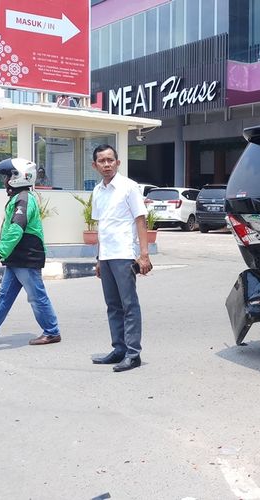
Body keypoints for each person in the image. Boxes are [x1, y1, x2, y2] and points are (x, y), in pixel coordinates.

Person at [0, 158, 61, 346]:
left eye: (7, 176)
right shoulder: (18, 198)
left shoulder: (23, 199)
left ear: (18, 177)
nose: (4, 180)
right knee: (4, 296)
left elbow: (16, 228)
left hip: (26, 256)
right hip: (17, 256)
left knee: (36, 296)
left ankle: (52, 332)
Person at [90, 144, 152, 372]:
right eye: (101, 161)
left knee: (129, 305)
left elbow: (140, 220)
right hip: (106, 256)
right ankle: (119, 349)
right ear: (94, 165)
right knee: (113, 305)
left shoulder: (129, 187)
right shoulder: (98, 191)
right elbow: (101, 226)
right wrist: (98, 258)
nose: (106, 164)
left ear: (118, 162)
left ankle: (133, 354)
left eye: (110, 160)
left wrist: (143, 255)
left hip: (125, 254)